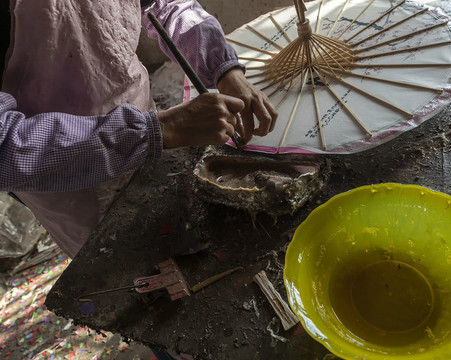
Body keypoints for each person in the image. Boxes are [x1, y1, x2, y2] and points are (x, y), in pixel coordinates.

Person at [1, 1, 277, 359]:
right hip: (73, 185)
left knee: (201, 261)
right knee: (158, 308)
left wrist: (223, 68)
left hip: (150, 133)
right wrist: (159, 129)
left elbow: (166, 4)